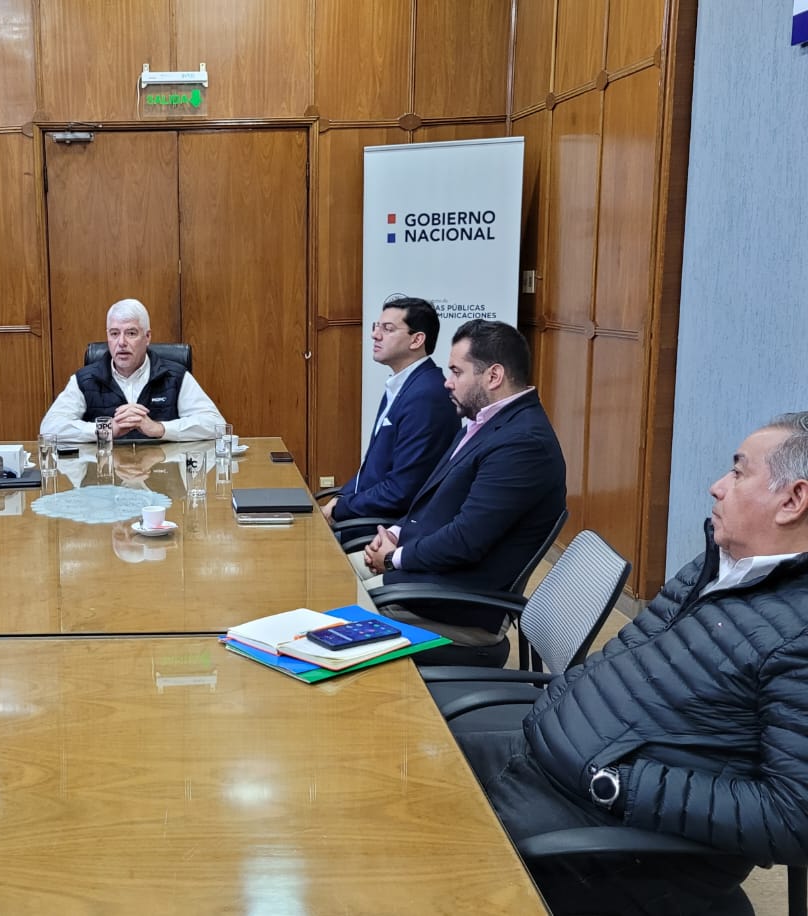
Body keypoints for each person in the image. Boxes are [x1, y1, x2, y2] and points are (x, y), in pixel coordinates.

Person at [457, 411, 808, 915]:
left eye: (737, 472)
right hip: (541, 756)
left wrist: (619, 785)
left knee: (405, 853)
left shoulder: (797, 633)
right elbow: (623, 659)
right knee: (394, 763)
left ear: (792, 500)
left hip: (603, 833)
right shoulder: (718, 563)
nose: (717, 487)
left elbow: (793, 818)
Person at [359, 319, 567, 666]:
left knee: (329, 608)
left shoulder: (523, 444)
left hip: (456, 607)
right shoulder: (483, 422)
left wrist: (394, 558)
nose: (446, 381)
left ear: (493, 376)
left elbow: (465, 540)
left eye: (456, 371)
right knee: (322, 579)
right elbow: (437, 504)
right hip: (426, 581)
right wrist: (394, 534)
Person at [322, 297, 460, 523]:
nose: (375, 335)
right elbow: (371, 472)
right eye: (377, 327)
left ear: (416, 340)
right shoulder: (404, 384)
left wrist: (341, 508)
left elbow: (401, 491)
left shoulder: (426, 396)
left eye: (388, 329)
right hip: (364, 516)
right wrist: (340, 497)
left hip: (385, 531)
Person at [40, 298, 225, 442]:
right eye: (114, 333)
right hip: (103, 484)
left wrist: (159, 428)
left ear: (147, 337)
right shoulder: (85, 379)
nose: (121, 343)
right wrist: (106, 429)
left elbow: (216, 425)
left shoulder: (175, 376)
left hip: (162, 480)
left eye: (131, 333)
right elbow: (49, 429)